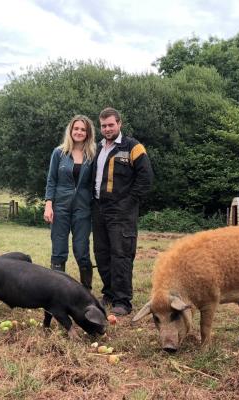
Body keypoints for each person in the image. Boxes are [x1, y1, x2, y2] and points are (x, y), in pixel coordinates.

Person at [92, 107, 153, 316]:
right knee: (101, 253)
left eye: (111, 124)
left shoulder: (133, 147)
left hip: (122, 211)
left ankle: (123, 301)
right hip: (99, 209)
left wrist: (127, 204)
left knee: (121, 254)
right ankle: (108, 294)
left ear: (119, 124)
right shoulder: (97, 147)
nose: (107, 129)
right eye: (103, 126)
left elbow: (146, 180)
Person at [44, 115, 97, 289]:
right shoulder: (59, 153)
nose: (79, 132)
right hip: (60, 208)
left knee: (82, 250)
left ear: (88, 133)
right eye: (76, 128)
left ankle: (86, 291)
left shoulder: (93, 154)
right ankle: (57, 291)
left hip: (83, 208)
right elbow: (51, 180)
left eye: (83, 129)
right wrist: (49, 205)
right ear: (71, 130)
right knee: (59, 251)